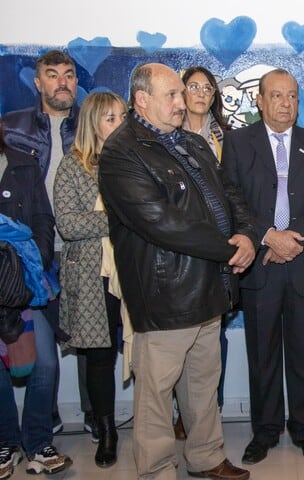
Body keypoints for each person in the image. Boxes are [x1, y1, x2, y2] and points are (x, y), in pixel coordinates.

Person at [98, 62, 257, 480]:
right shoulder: (121, 152)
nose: (181, 102)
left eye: (180, 94)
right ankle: (156, 470)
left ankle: (205, 457)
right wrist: (228, 248)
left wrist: (247, 235)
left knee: (203, 384)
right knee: (156, 394)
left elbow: (229, 192)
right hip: (165, 293)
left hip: (209, 286)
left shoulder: (192, 142)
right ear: (142, 100)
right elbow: (160, 222)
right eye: (171, 95)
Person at [222, 69, 304, 465]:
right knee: (263, 355)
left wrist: (294, 240)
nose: (286, 103)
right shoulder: (238, 143)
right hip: (260, 266)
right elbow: (231, 196)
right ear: (260, 100)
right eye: (277, 96)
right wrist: (268, 236)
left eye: (292, 96)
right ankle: (266, 430)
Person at [1, 50, 91, 436]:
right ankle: (46, 419)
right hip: (30, 255)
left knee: (89, 334)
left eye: (68, 74)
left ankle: (94, 415)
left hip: (79, 249)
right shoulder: (12, 126)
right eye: (52, 75)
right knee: (40, 348)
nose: (62, 82)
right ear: (38, 83)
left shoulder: (89, 125)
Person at [53, 92, 126, 468]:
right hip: (91, 274)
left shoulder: (130, 163)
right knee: (99, 358)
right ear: (93, 123)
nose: (119, 125)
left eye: (122, 117)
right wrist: (118, 216)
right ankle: (107, 431)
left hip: (131, 271)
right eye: (110, 118)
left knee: (142, 351)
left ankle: (151, 426)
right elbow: (68, 224)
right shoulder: (72, 167)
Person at [0, 117, 73, 476]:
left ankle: (38, 441)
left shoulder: (23, 164)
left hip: (25, 281)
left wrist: (39, 256)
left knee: (44, 361)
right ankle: (5, 443)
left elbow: (44, 218)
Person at [174, 65, 230, 441]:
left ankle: (212, 413)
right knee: (178, 337)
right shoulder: (166, 135)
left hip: (220, 247)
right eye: (193, 86)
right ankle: (182, 412)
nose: (200, 93)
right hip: (178, 246)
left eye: (207, 87)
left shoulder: (226, 137)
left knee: (215, 335)